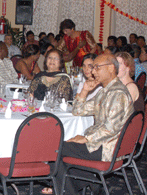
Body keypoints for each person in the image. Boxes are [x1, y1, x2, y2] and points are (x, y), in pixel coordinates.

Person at [51, 53, 134, 195]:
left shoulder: (118, 93)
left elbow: (111, 128)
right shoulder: (105, 91)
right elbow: (78, 110)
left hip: (108, 148)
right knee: (58, 150)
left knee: (53, 150)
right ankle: (91, 184)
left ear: (110, 69)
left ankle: (82, 186)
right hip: (101, 143)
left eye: (97, 67)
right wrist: (84, 91)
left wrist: (86, 138)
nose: (93, 71)